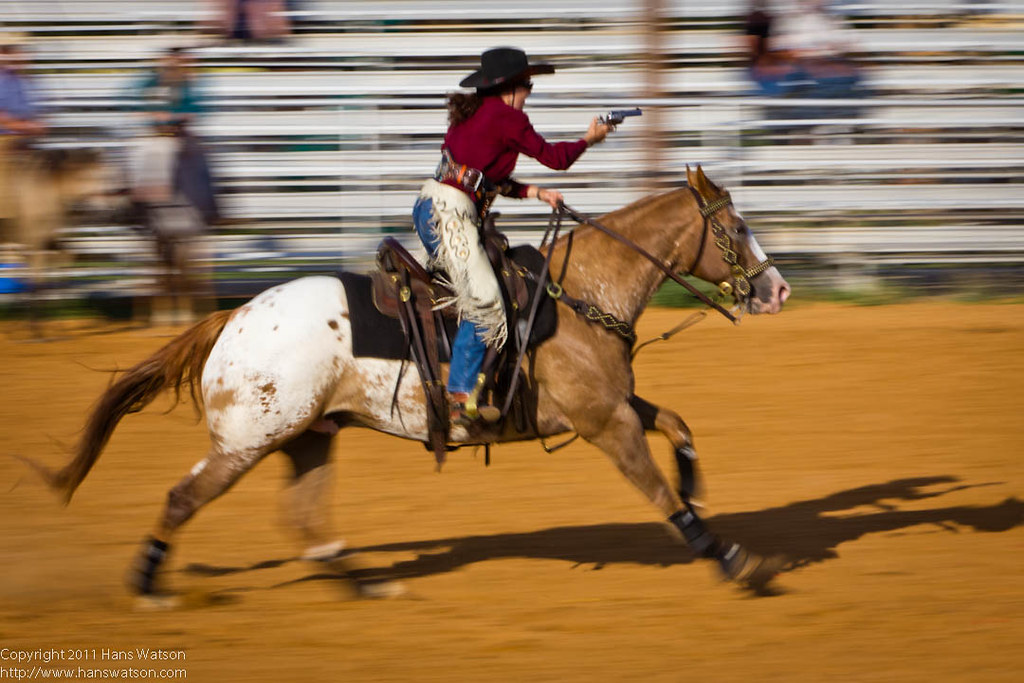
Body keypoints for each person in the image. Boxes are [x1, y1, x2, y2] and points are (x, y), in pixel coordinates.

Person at [412, 47, 611, 425]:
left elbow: (481, 178)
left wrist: (535, 193)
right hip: (450, 216)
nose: (530, 93)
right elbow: (556, 158)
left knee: (482, 286)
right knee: (485, 301)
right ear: (510, 89)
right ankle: (457, 399)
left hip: (435, 209)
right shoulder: (507, 118)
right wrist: (590, 139)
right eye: (528, 86)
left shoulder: (476, 115)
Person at [0, 39, 46, 233]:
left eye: (19, 51)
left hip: (27, 143)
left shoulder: (28, 81)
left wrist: (37, 125)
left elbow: (41, 111)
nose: (17, 55)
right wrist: (21, 125)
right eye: (10, 51)